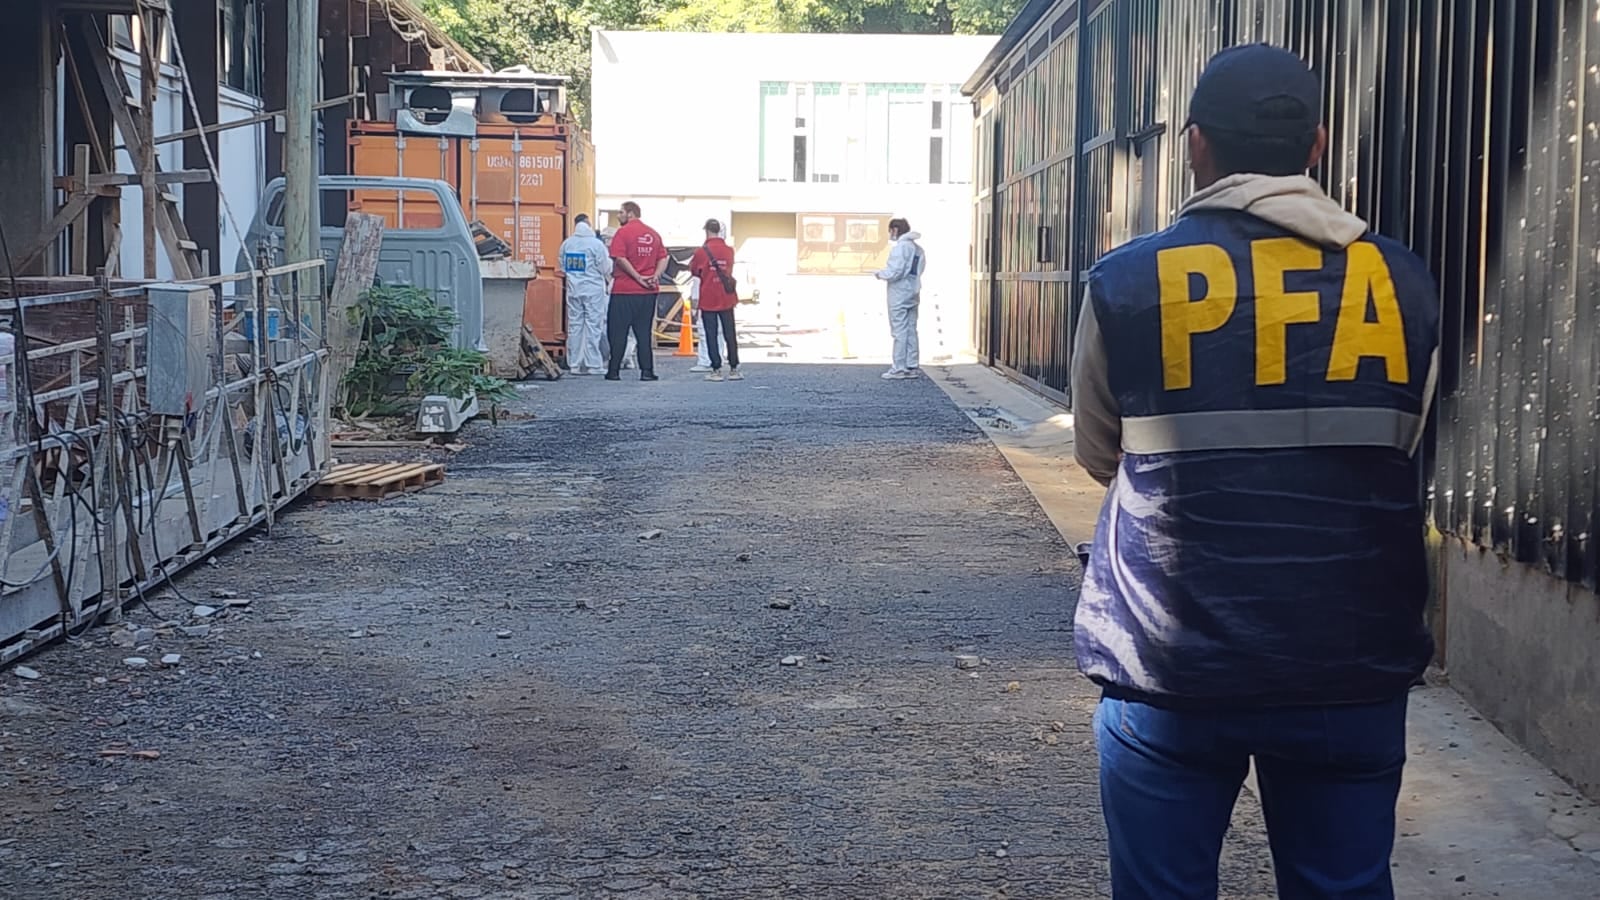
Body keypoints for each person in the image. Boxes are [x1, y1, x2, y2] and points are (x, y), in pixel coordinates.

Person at [1070, 44, 1439, 900]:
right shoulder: (1405, 281)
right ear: (1316, 146)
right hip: (1349, 661)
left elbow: (1098, 454)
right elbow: (1401, 444)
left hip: (1169, 660)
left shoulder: (1127, 283)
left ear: (1195, 145)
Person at [606, 202, 670, 381]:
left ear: (631, 213)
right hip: (648, 292)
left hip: (625, 291)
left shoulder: (623, 233)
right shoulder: (653, 234)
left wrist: (637, 277)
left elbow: (619, 258)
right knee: (643, 332)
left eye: (621, 212)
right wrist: (655, 276)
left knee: (618, 332)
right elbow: (663, 257)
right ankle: (647, 371)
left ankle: (613, 371)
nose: (619, 216)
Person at [558, 214, 612, 375]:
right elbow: (606, 268)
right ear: (588, 225)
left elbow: (562, 266)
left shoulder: (567, 244)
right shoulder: (596, 244)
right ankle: (593, 364)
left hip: (574, 290)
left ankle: (574, 364)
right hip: (593, 290)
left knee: (574, 326)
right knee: (593, 326)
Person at [689, 219, 742, 381]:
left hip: (708, 296)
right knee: (729, 332)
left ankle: (716, 369)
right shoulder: (729, 250)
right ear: (719, 230)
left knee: (710, 334)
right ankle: (734, 368)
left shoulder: (700, 252)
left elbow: (695, 272)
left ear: (706, 231)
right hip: (726, 296)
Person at [875, 218, 924, 380]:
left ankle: (899, 368)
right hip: (913, 291)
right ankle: (912, 365)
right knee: (911, 328)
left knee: (899, 330)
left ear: (895, 230)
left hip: (899, 292)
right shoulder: (918, 249)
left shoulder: (900, 248)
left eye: (890, 231)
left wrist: (880, 274)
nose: (890, 234)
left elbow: (895, 272)